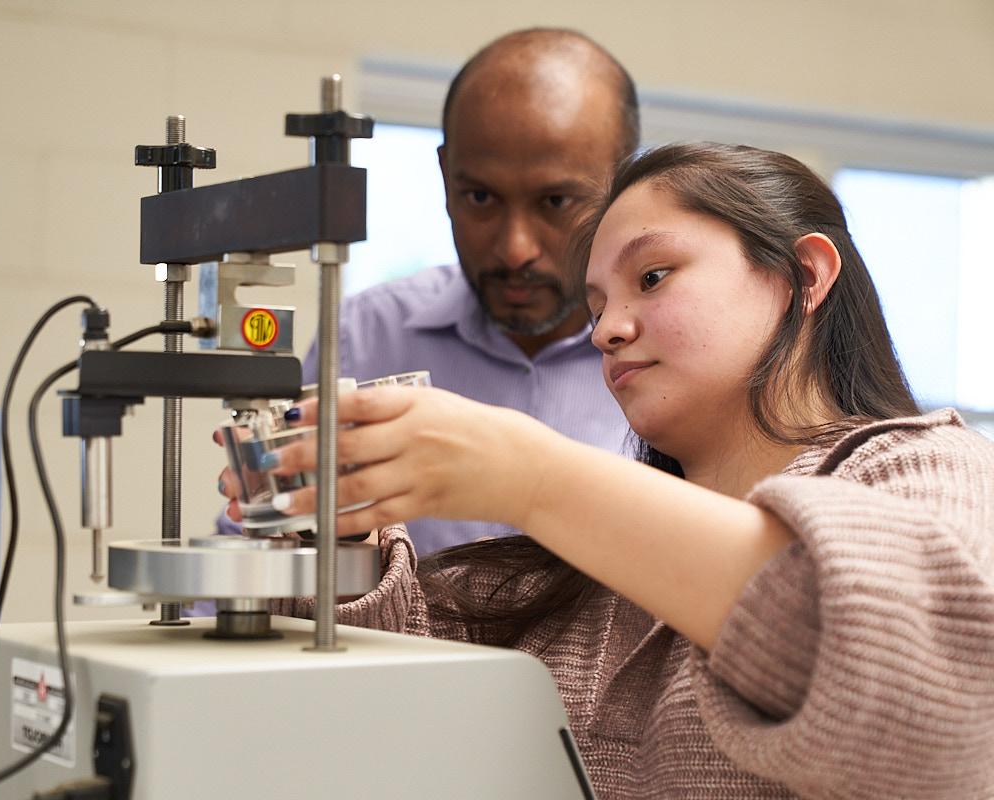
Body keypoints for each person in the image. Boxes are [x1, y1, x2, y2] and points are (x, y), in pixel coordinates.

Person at [257, 143, 994, 798]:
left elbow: (929, 703)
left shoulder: (931, 470)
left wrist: (529, 476)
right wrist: (343, 519)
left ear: (803, 274)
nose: (607, 330)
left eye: (653, 275)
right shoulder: (582, 576)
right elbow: (373, 691)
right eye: (597, 304)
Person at [288, 28, 639, 553]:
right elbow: (270, 547)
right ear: (444, 174)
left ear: (627, 183)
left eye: (556, 202)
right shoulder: (361, 338)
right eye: (480, 197)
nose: (515, 250)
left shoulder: (671, 355)